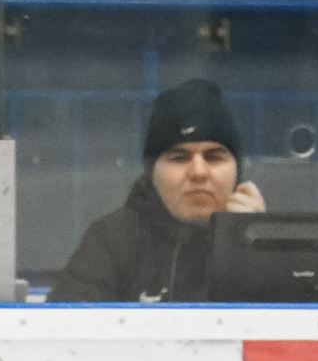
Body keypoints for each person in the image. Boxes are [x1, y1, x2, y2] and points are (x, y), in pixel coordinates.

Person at [50, 78, 266, 303]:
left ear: (238, 171)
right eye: (179, 158)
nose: (199, 172)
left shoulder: (264, 241)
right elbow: (66, 320)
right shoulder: (112, 240)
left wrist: (255, 250)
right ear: (151, 173)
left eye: (213, 157)